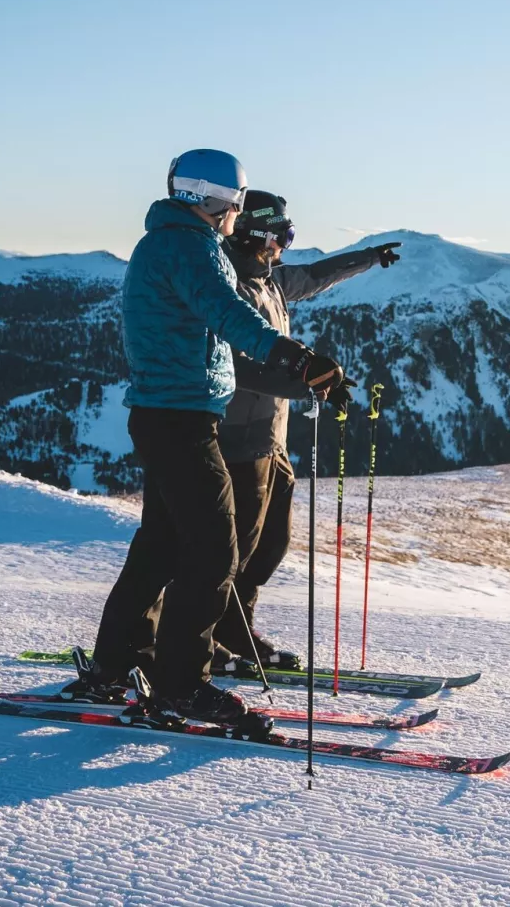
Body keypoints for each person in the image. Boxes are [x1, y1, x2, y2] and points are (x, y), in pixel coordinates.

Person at [84, 150, 343, 726]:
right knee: (213, 551)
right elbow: (226, 312)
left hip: (169, 413)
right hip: (180, 418)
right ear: (213, 197)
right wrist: (293, 356)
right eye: (235, 199)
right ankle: (181, 685)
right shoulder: (189, 246)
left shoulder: (168, 242)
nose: (238, 211)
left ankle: (117, 664)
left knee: (162, 546)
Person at [211, 190, 401, 670]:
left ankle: (237, 631)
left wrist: (368, 258)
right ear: (259, 235)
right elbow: (240, 369)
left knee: (270, 546)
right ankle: (210, 640)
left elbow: (318, 277)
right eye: (283, 235)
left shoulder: (269, 280)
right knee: (230, 551)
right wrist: (308, 385)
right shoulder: (230, 288)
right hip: (237, 439)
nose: (286, 245)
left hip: (271, 438)